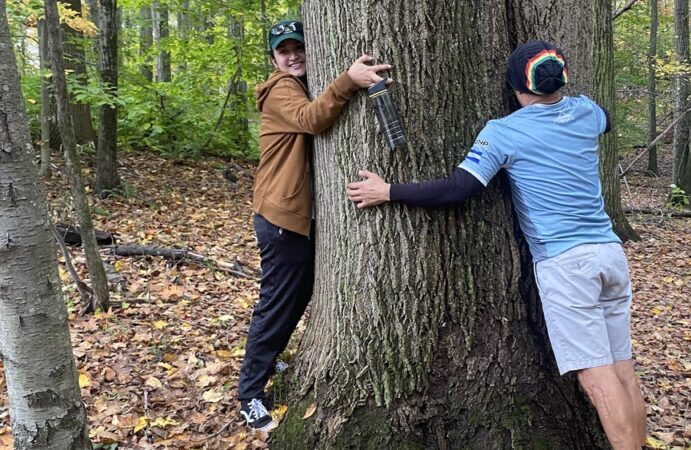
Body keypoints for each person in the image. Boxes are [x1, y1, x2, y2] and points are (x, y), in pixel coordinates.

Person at [345, 40, 647, 450]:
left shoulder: (504, 132)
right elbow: (606, 120)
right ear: (561, 80)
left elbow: (457, 189)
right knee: (623, 369)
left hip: (566, 264)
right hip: (609, 254)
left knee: (596, 378)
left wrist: (389, 191)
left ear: (513, 87)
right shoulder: (587, 112)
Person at [239, 19, 391, 435]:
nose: (292, 55)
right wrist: (349, 80)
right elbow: (312, 119)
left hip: (291, 216)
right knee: (276, 302)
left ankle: (270, 361)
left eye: (298, 47)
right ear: (273, 58)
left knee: (301, 292)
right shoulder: (282, 89)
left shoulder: (296, 83)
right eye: (283, 50)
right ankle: (249, 394)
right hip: (280, 216)